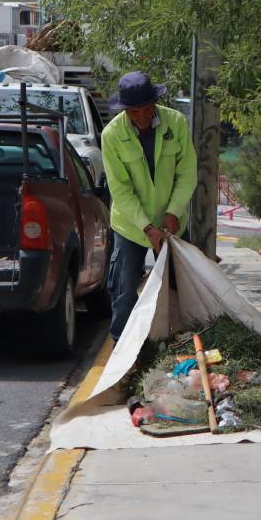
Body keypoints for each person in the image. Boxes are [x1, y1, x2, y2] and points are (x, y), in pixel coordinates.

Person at [102, 71, 197, 341]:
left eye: (146, 108)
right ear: (125, 110)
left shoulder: (176, 123)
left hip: (171, 222)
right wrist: (146, 226)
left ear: (155, 103)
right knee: (124, 287)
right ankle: (122, 350)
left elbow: (187, 173)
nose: (142, 116)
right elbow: (120, 189)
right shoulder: (112, 135)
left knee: (178, 286)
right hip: (131, 225)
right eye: (135, 111)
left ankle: (180, 343)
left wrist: (173, 212)